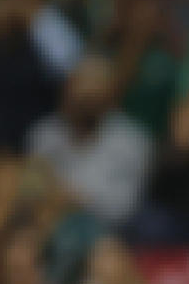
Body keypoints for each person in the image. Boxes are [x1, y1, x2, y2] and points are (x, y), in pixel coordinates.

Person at [26, 55, 153, 228]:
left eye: (94, 90)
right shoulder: (43, 135)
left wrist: (78, 200)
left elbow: (127, 208)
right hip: (47, 227)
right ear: (66, 90)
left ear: (110, 95)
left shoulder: (133, 142)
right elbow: (30, 192)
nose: (85, 97)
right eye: (80, 87)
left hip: (106, 231)